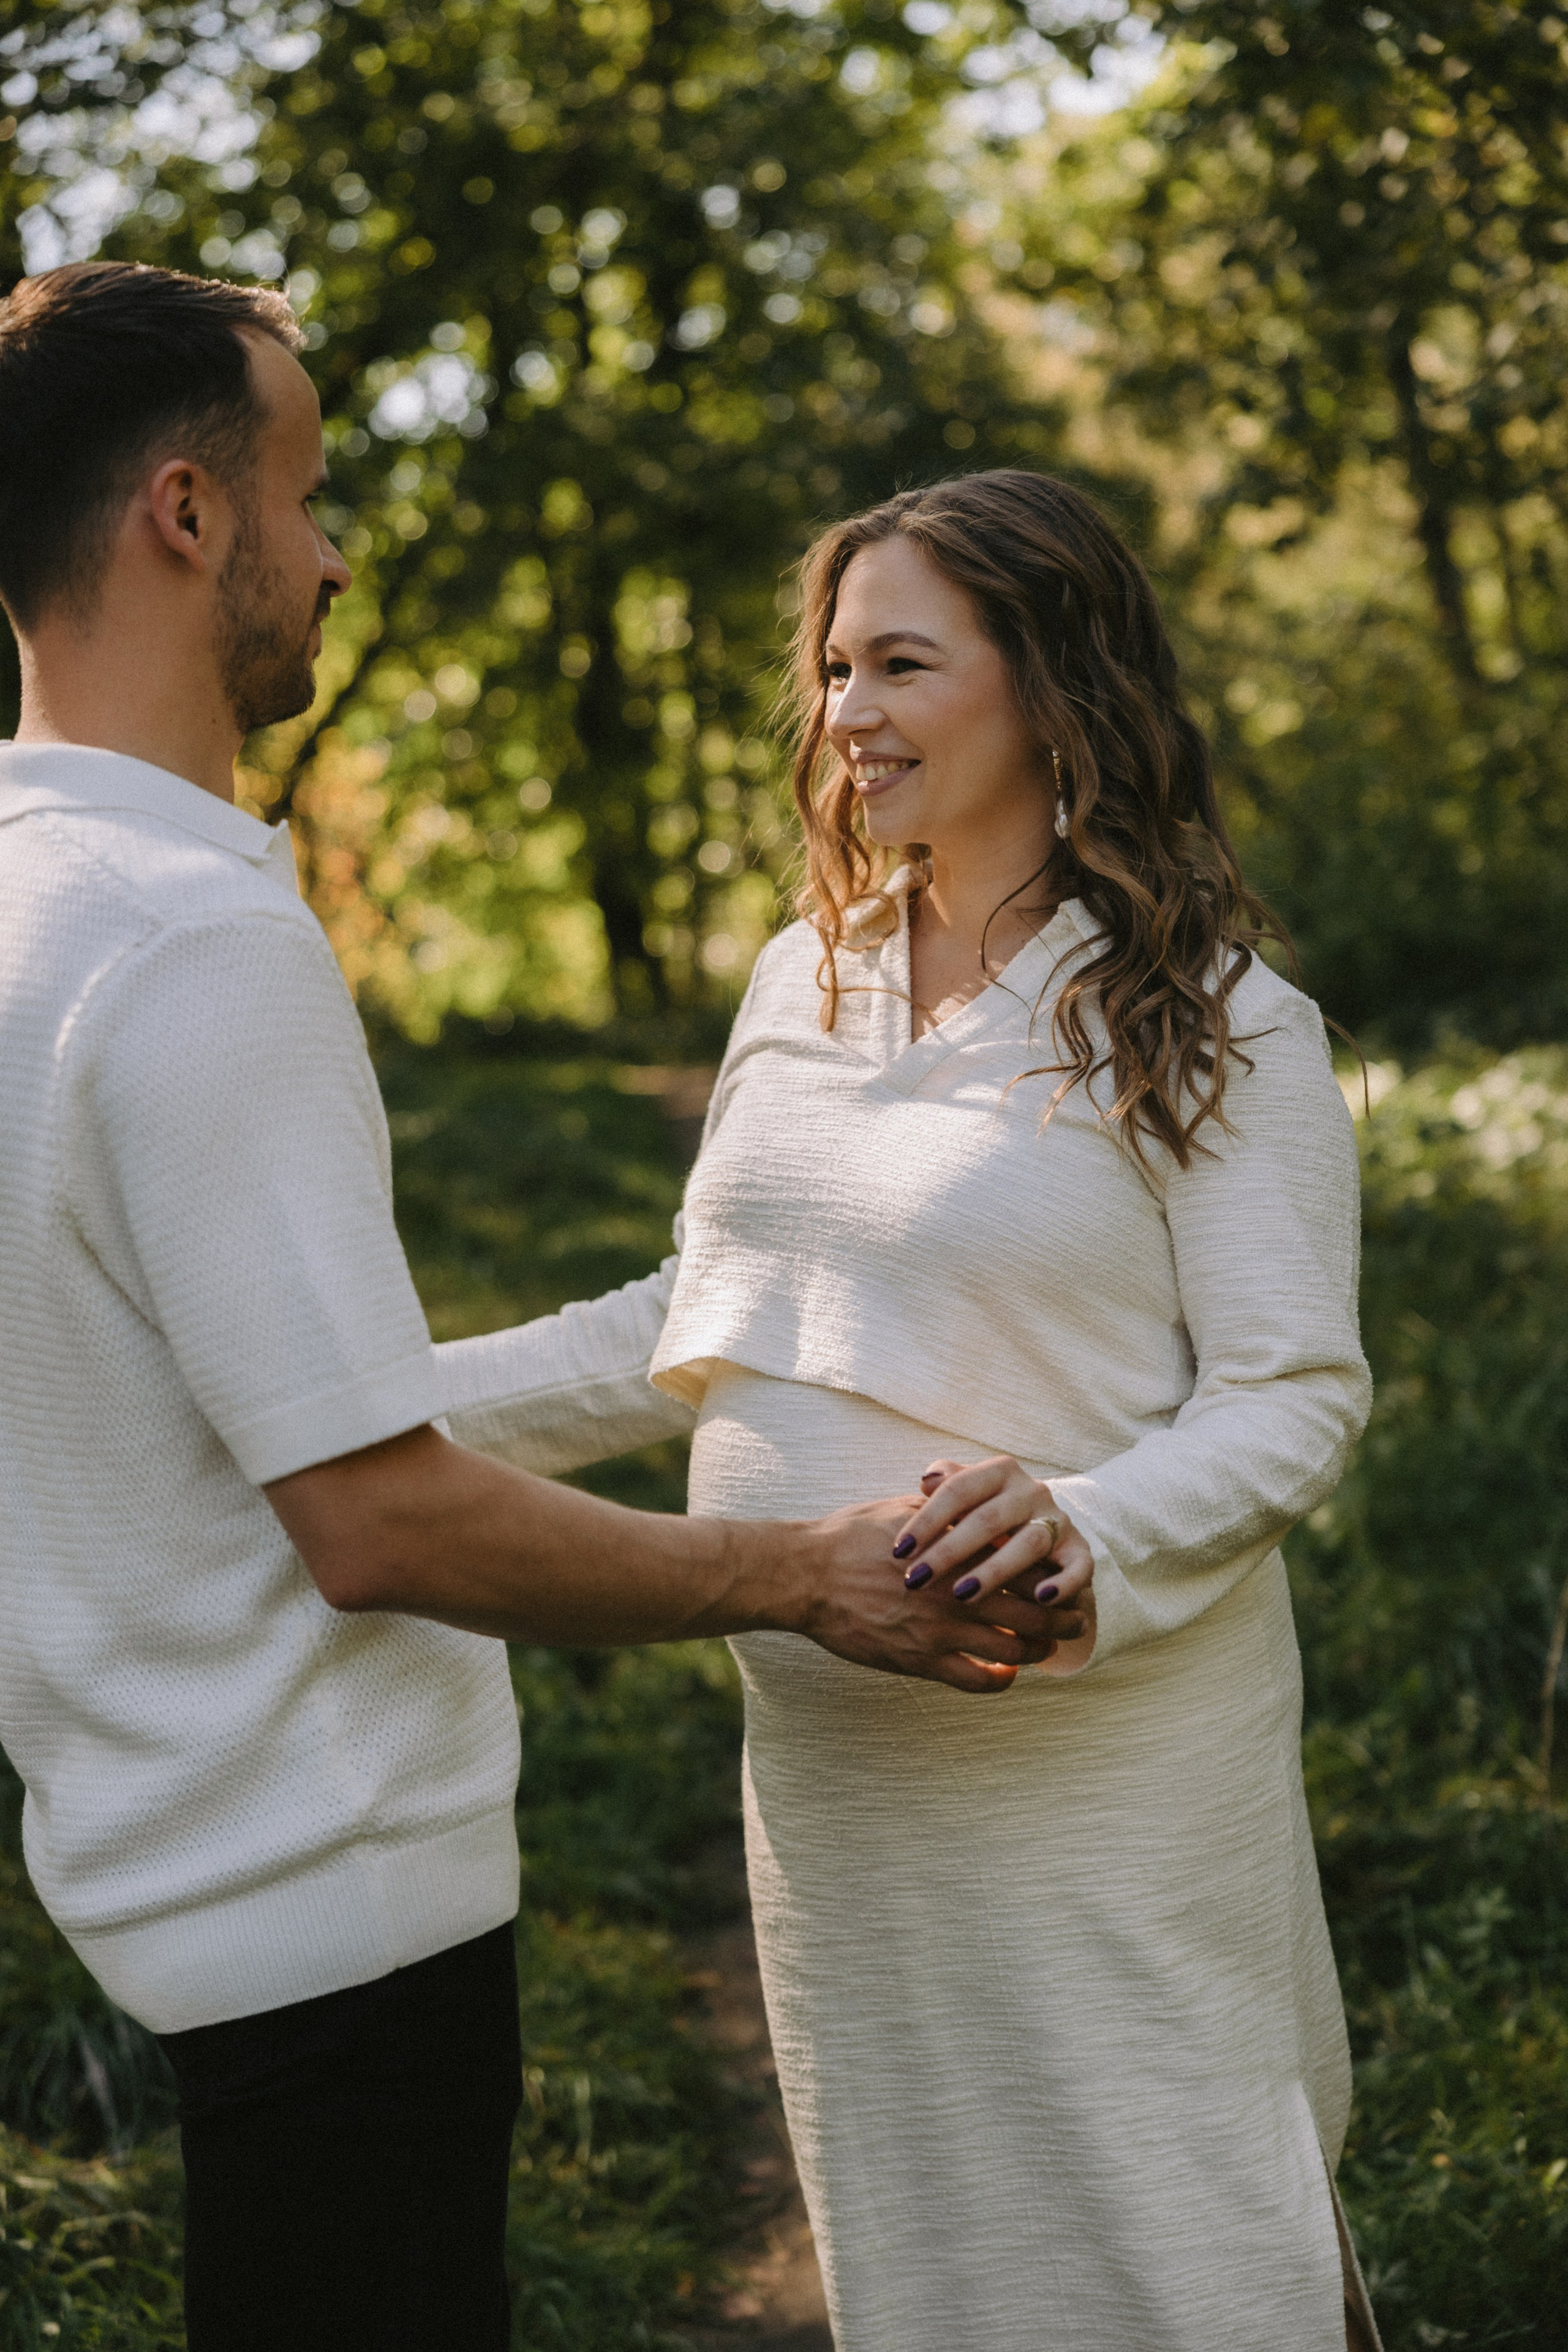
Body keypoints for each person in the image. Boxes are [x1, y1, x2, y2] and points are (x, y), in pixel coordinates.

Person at [0, 266, 1079, 2352]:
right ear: (187, 514)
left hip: (145, 1867)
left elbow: (223, 1398)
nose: (337, 553)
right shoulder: (194, 937)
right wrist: (805, 1575)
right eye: (306, 493)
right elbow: (374, 1518)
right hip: (331, 1912)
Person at [461, 471, 1383, 2350]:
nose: (844, 712)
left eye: (898, 663)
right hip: (842, 1810)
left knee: (1187, 2242)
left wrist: (1088, 1521)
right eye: (829, 668)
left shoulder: (1213, 1013)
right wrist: (353, 1413)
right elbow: (697, 1310)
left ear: (1051, 685)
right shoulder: (801, 975)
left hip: (1103, 1776)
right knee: (937, 2257)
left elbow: (1296, 1395)